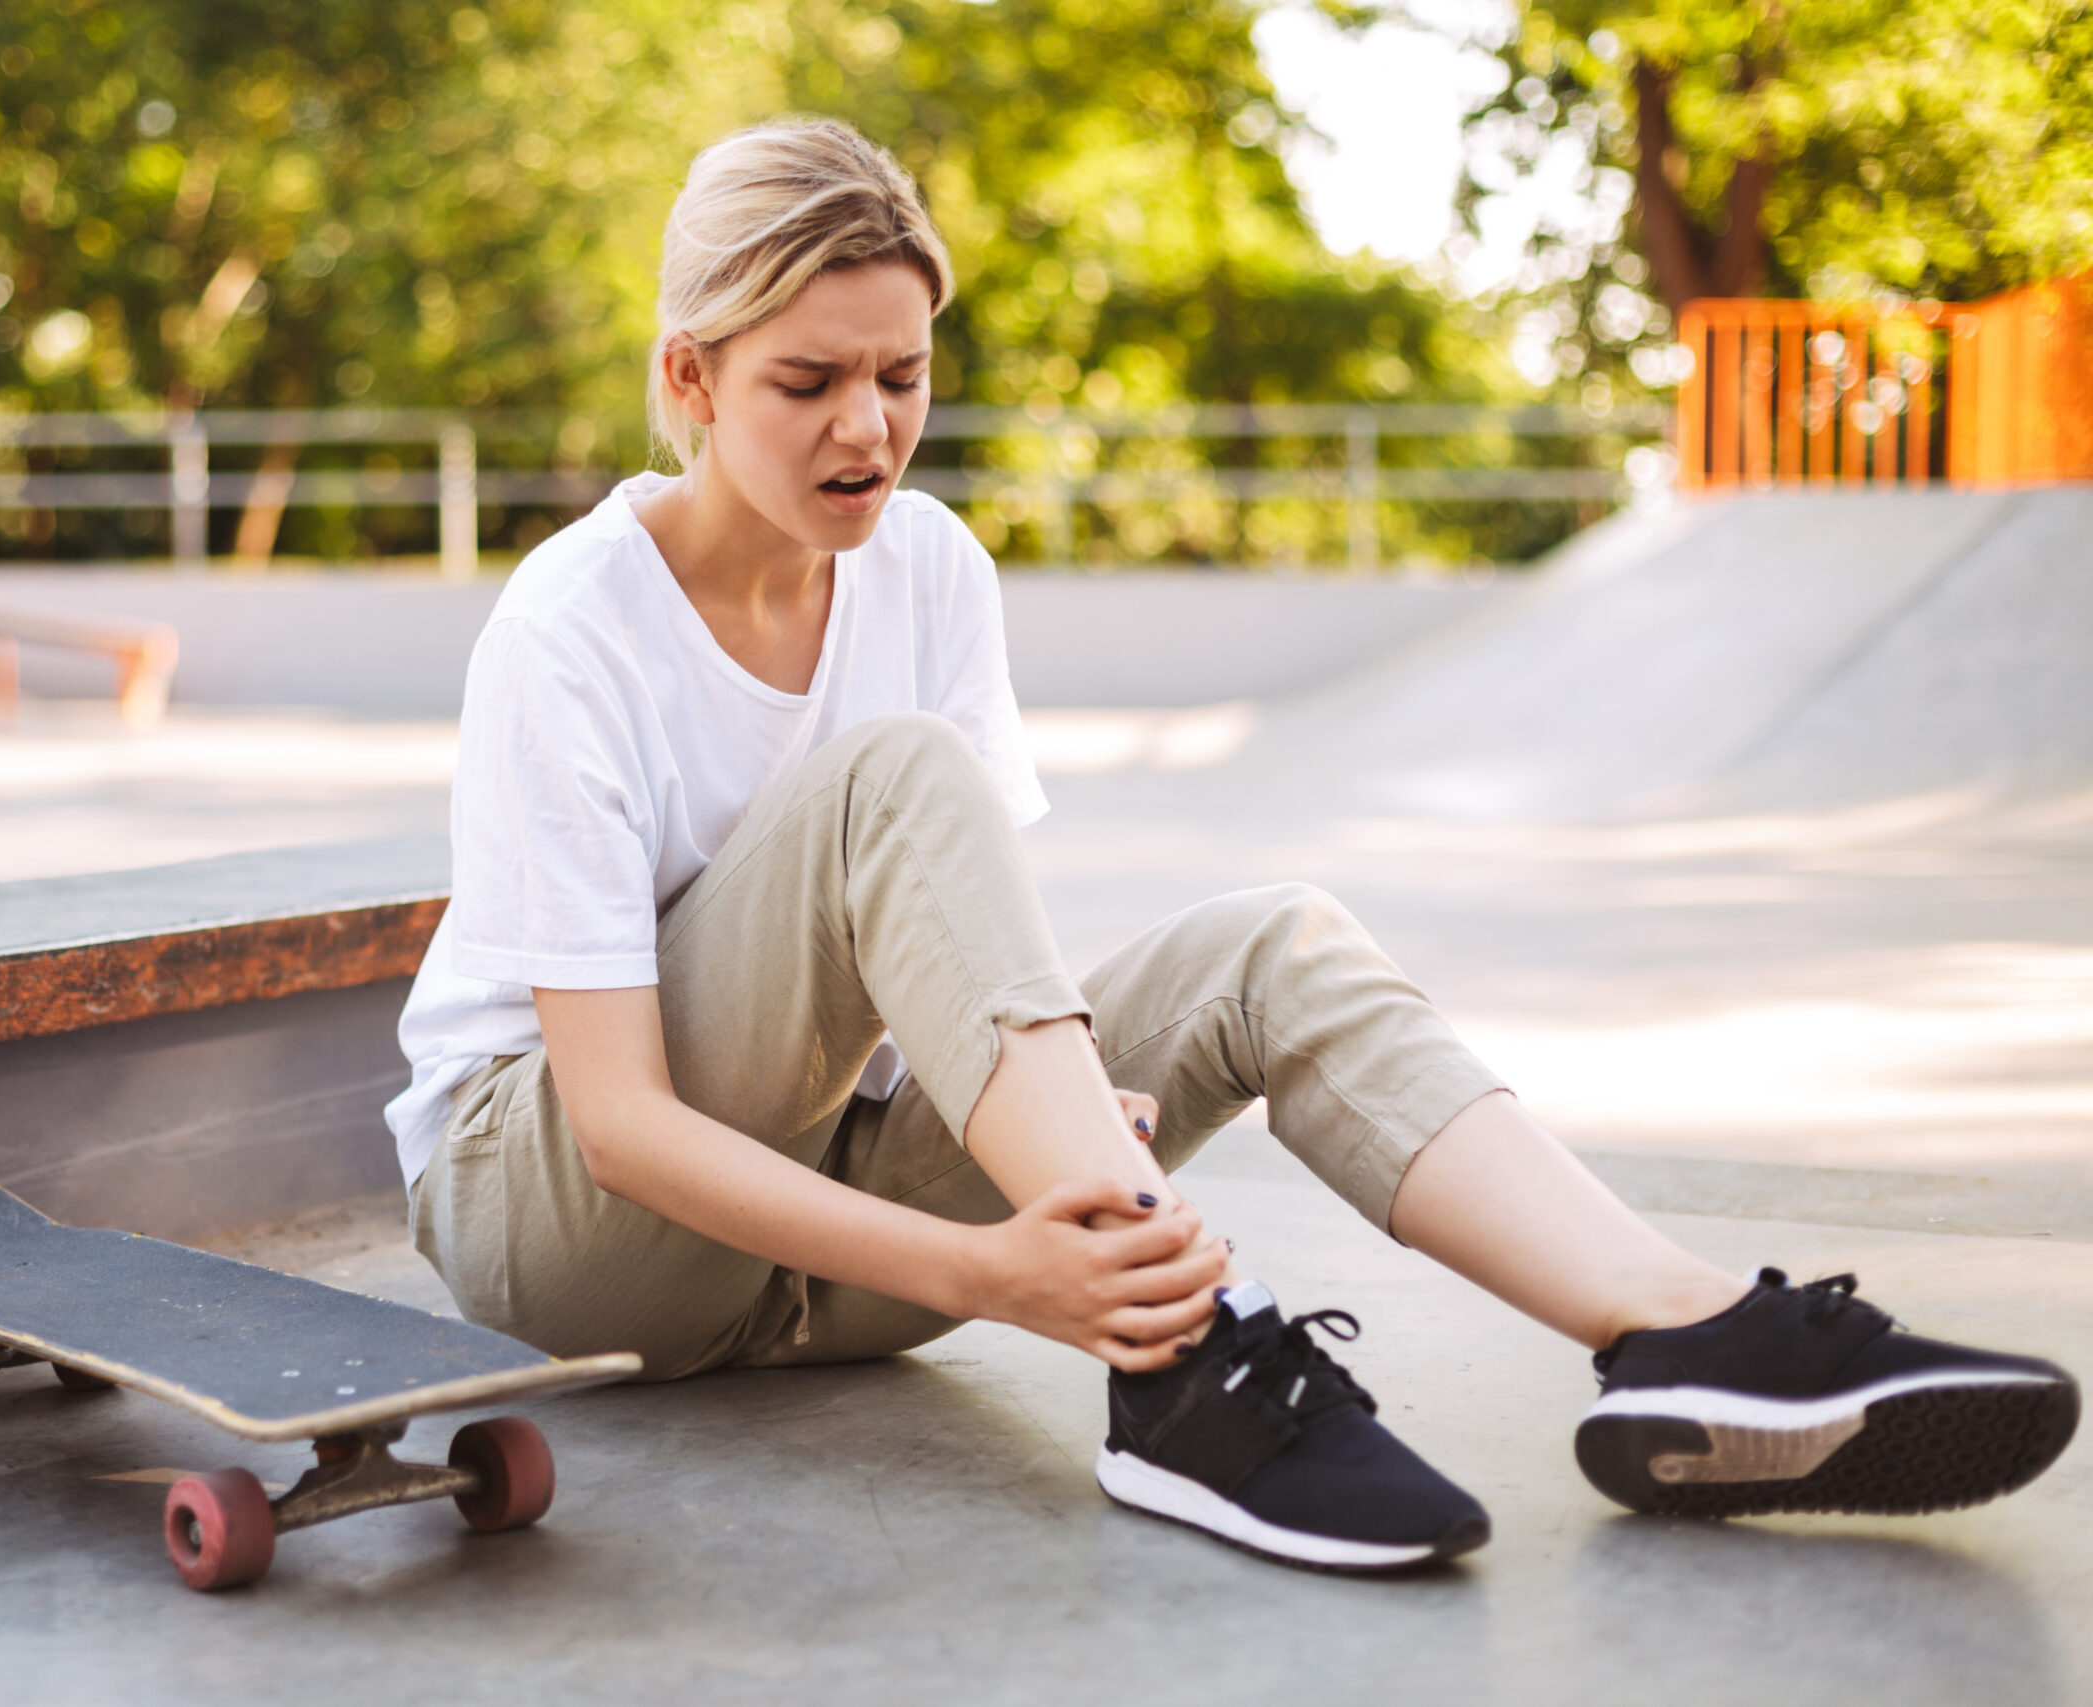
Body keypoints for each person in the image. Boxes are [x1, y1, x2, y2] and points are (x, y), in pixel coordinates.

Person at [385, 118, 2079, 1573]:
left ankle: (1687, 1336)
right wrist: (997, 1266)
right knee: (890, 779)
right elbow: (619, 1126)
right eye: (806, 383)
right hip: (575, 1237)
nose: (867, 432)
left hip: (814, 1240)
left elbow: (958, 954)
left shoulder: (928, 570)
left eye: (902, 378)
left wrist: (1053, 1109)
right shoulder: (575, 626)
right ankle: (1180, 1366)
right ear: (687, 378)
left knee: (1274, 946)